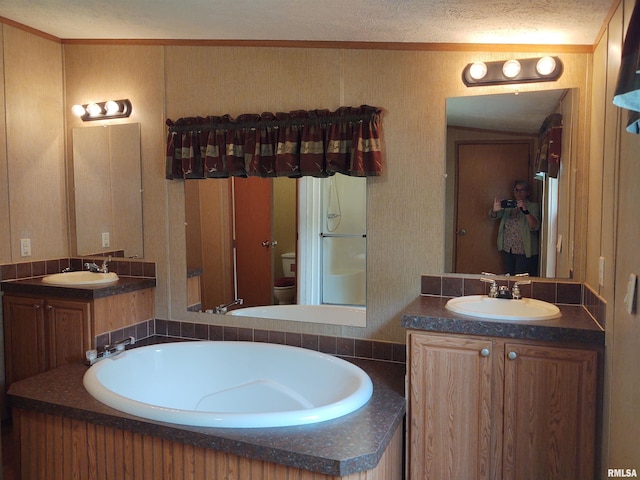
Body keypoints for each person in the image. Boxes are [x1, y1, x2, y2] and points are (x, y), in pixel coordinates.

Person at [489, 180, 540, 276]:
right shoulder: (509, 205)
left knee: (521, 279)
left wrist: (525, 211)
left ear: (528, 192)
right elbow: (493, 216)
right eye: (516, 190)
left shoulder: (533, 206)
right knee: (508, 277)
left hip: (524, 250)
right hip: (508, 248)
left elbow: (535, 226)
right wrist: (495, 210)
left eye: (522, 190)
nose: (518, 193)